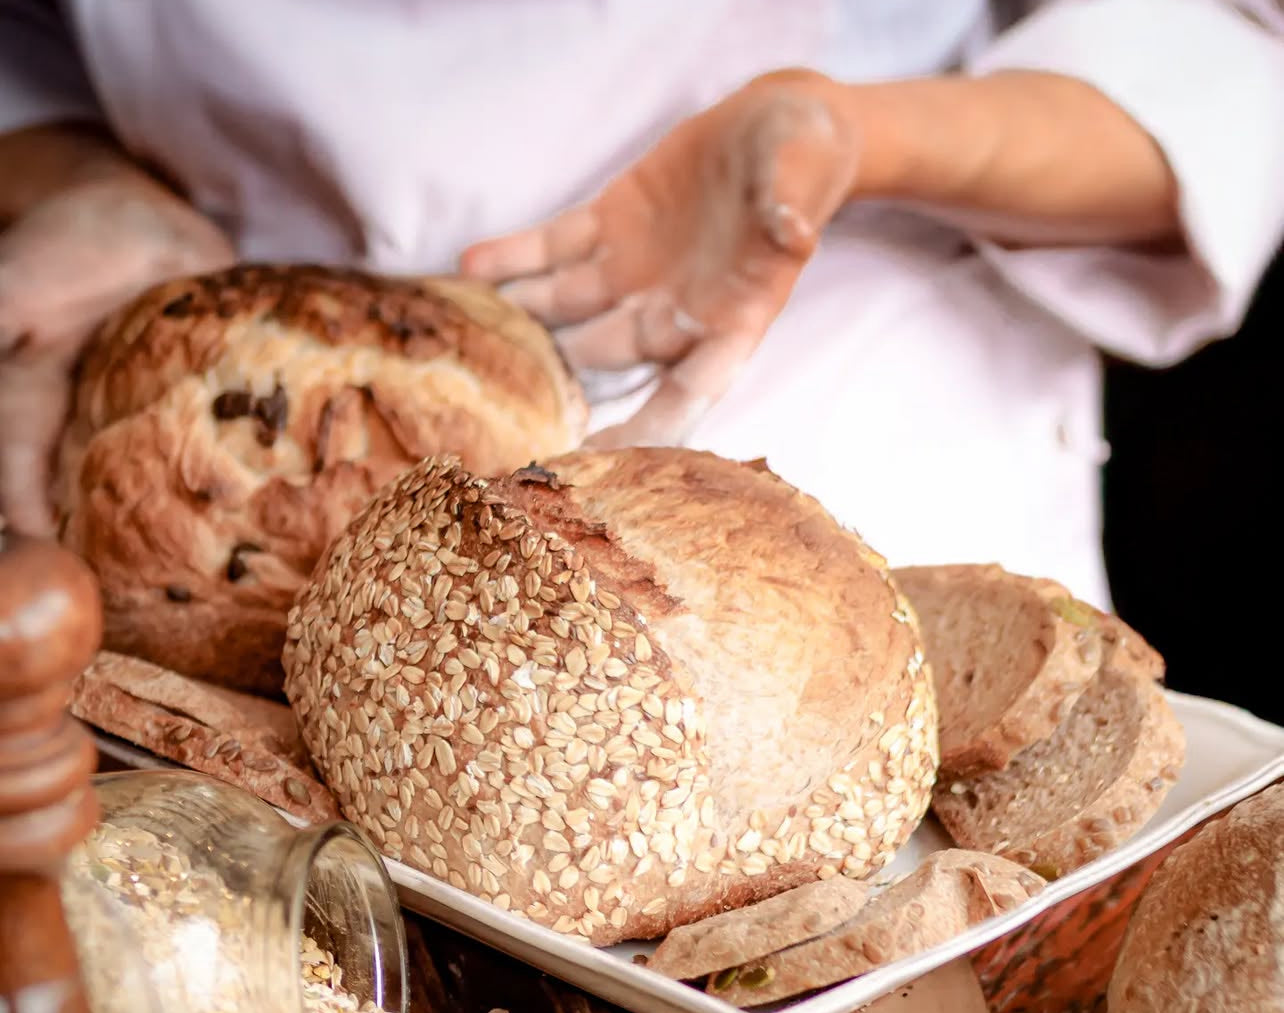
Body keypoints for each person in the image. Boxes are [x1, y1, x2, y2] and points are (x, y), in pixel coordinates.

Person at [2, 1, 1282, 608]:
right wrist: (90, 181)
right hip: (208, 506)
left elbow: (1227, 49)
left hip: (832, 458)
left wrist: (845, 136)